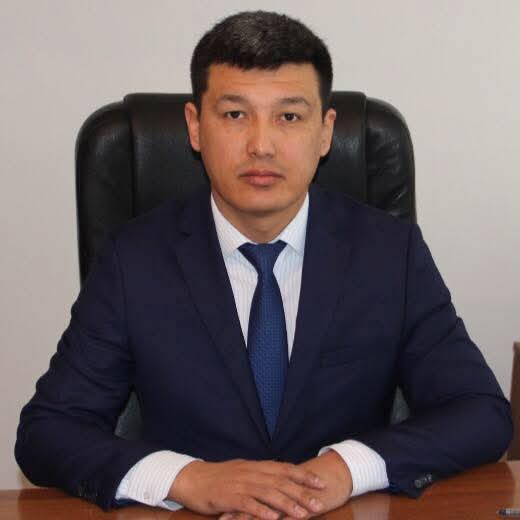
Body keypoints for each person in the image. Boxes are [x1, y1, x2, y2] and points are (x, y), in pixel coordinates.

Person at [15, 10, 512, 520]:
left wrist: (346, 468)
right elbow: (48, 432)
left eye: (289, 117)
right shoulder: (134, 260)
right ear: (195, 127)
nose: (261, 145)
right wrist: (188, 478)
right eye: (235, 115)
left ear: (326, 131)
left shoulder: (389, 253)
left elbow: (481, 412)